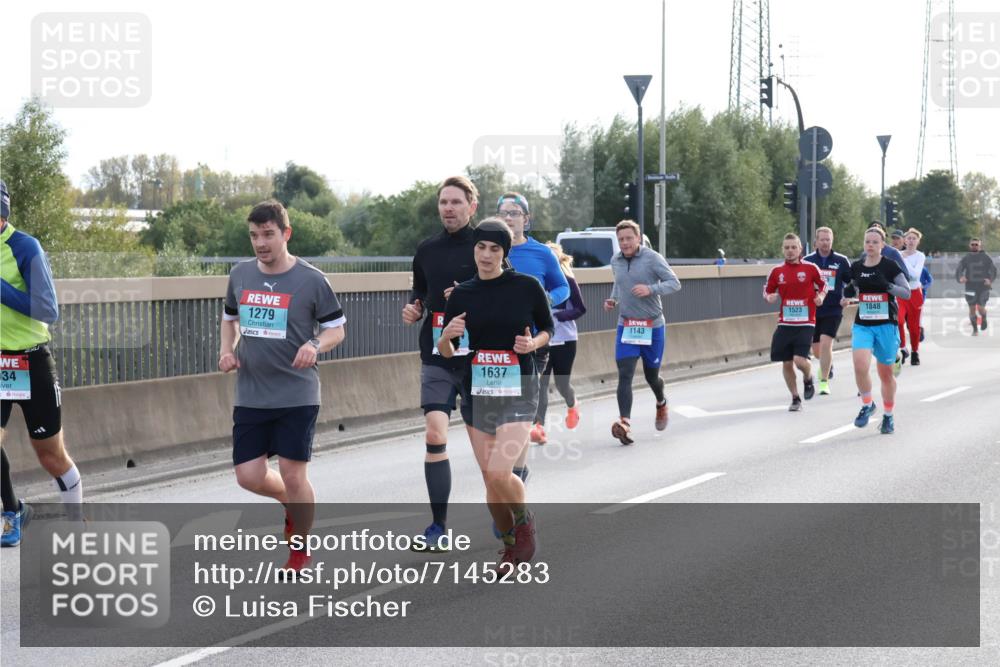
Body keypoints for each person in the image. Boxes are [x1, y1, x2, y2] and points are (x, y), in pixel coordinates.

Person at [220, 200, 346, 571]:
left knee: (294, 474)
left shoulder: (311, 279)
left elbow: (336, 328)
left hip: (297, 393)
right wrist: (226, 350)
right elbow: (229, 318)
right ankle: (291, 503)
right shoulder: (240, 275)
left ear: (285, 234)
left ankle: (300, 549)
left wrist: (314, 344)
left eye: (268, 234)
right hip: (252, 392)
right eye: (254, 235)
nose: (260, 242)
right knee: (248, 476)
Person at [438, 219, 554, 573]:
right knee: (490, 479)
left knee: (502, 471)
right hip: (477, 391)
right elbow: (446, 351)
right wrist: (448, 336)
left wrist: (532, 343)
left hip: (519, 387)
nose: (486, 255)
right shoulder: (462, 294)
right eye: (481, 248)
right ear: (473, 250)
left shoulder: (526, 286)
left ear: (505, 253)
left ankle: (524, 523)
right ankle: (509, 547)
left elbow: (548, 328)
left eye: (494, 249)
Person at [401, 176, 480, 552]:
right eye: (443, 202)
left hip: (480, 356)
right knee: (435, 434)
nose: (448, 208)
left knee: (491, 446)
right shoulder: (427, 249)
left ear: (471, 207)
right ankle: (438, 526)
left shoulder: (487, 246)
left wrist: (468, 295)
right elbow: (420, 290)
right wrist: (415, 308)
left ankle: (511, 503)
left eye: (456, 202)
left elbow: (507, 295)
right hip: (437, 352)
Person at [1, 179, 81, 547]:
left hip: (32, 362)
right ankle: (12, 510)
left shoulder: (24, 247)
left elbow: (49, 309)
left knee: (51, 456)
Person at [496, 194, 569, 452]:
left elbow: (563, 287)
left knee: (519, 409)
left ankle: (516, 473)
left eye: (514, 212)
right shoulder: (487, 250)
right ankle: (511, 470)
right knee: (500, 413)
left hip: (534, 341)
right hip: (495, 346)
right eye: (503, 213)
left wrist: (547, 298)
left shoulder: (542, 253)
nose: (508, 217)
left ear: (526, 219)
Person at [603, 220, 681, 444]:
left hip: (652, 325)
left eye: (629, 238)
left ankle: (661, 401)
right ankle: (625, 423)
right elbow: (619, 283)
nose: (625, 243)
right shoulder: (615, 260)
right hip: (627, 324)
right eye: (621, 240)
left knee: (651, 376)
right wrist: (613, 300)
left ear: (638, 238)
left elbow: (674, 283)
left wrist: (651, 289)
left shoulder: (652, 258)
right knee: (625, 373)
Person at [841, 227, 911, 434]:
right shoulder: (856, 267)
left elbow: (906, 293)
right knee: (860, 365)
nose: (870, 245)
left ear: (882, 245)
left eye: (874, 242)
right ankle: (867, 404)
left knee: (886, 373)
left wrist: (887, 286)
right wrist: (848, 293)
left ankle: (888, 416)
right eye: (867, 242)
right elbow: (852, 289)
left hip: (886, 325)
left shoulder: (891, 266)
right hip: (864, 323)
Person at [764, 233, 827, 411]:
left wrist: (820, 296)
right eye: (787, 248)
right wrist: (769, 297)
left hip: (806, 322)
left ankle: (808, 377)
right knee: (786, 362)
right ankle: (795, 398)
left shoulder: (810, 268)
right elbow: (767, 290)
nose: (790, 251)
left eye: (793, 247)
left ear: (800, 249)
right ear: (782, 250)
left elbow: (824, 284)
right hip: (785, 323)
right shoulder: (777, 271)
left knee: (800, 361)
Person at [535, 242, 586, 434]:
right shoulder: (536, 280)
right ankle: (538, 427)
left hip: (565, 338)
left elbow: (581, 308)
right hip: (543, 338)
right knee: (541, 383)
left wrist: (558, 315)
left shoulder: (567, 280)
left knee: (562, 384)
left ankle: (573, 406)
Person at [803, 227, 851, 395]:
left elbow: (851, 283)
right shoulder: (808, 261)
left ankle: (823, 382)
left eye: (828, 239)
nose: (825, 243)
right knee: (817, 350)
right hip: (813, 309)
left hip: (833, 308)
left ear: (832, 240)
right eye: (822, 239)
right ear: (816, 241)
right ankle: (827, 363)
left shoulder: (841, 260)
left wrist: (847, 297)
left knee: (826, 343)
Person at [955, 237, 997, 336]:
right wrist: (960, 277)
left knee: (981, 308)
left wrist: (990, 280)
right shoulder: (967, 257)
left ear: (980, 246)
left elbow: (993, 270)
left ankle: (984, 317)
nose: (974, 246)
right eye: (972, 244)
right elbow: (959, 269)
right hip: (970, 286)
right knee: (972, 308)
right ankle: (975, 330)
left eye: (976, 244)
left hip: (983, 287)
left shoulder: (986, 257)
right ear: (970, 246)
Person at [898, 228, 926, 365]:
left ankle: (915, 351)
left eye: (914, 238)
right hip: (901, 292)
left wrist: (904, 260)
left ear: (918, 241)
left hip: (915, 293)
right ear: (904, 240)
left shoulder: (920, 256)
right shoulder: (897, 254)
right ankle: (903, 348)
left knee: (914, 328)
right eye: (908, 238)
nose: (911, 241)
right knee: (898, 321)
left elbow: (915, 275)